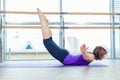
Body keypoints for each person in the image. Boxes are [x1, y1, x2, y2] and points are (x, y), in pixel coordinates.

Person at [37, 8, 107, 66]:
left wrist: (84, 53)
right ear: (100, 55)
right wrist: (84, 52)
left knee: (49, 40)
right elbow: (86, 57)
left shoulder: (92, 56)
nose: (104, 57)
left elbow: (86, 57)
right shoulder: (92, 57)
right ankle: (42, 19)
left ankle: (45, 23)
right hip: (64, 57)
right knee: (47, 41)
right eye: (104, 55)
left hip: (65, 56)